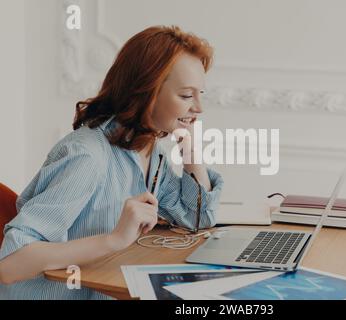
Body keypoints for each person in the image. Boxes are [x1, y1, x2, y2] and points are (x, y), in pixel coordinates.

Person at [0, 25, 223, 299]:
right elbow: (11, 264)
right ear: (146, 91)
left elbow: (196, 218)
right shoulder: (88, 157)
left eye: (202, 94)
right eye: (187, 95)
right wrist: (114, 240)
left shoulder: (150, 152)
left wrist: (190, 151)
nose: (199, 107)